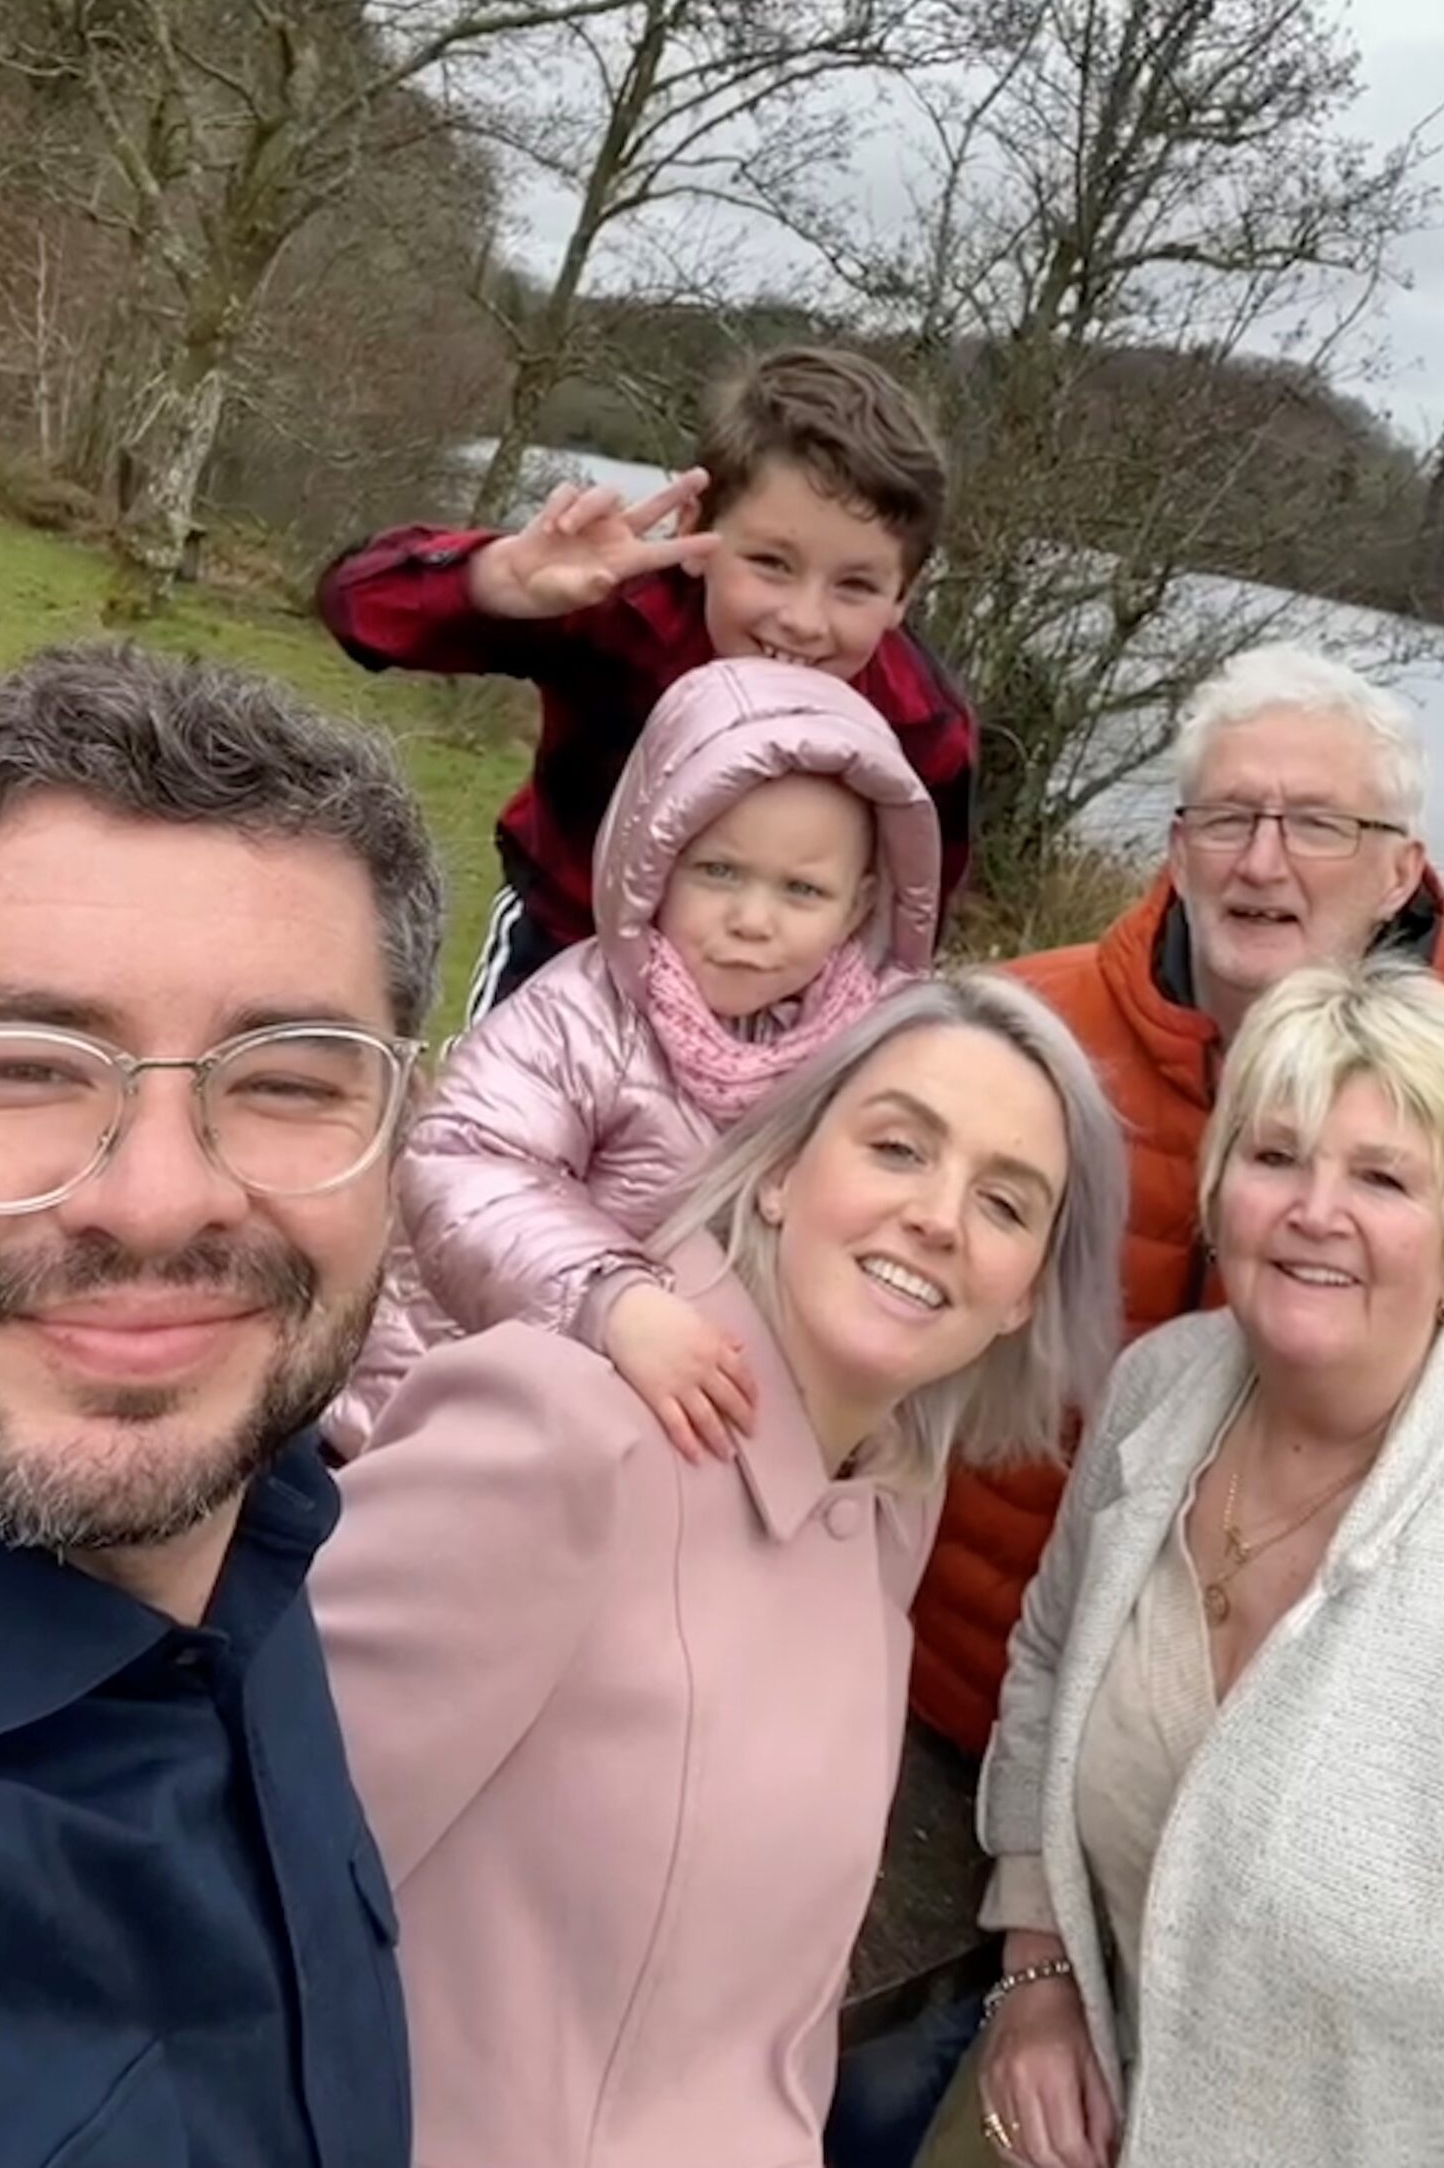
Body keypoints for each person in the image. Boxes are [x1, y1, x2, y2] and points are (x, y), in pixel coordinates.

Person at [309, 974, 1128, 2168]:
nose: (940, 1216)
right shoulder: (567, 1434)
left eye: (1005, 1202)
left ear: (1024, 1297)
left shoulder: (885, 1509)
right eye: (899, 1147)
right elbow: (247, 1883)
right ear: (784, 1169)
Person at [961, 959, 1444, 2168]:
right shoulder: (1155, 1397)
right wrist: (1041, 1967)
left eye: (1383, 1177)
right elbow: (1050, 1652)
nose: (1314, 1209)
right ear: (1220, 1190)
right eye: (1275, 1156)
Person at [912, 644, 1444, 1760]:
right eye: (1227, 817)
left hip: (1242, 1770)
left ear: (1400, 872)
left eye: (1319, 825)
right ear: (1178, 848)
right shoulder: (1020, 1035)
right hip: (939, 1682)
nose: (1263, 860)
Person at [0, 640, 440, 2168]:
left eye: (289, 1079)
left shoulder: (258, 1523)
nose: (159, 1199)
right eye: (20, 1066)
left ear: (400, 1139)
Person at [323, 656, 942, 1463]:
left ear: (859, 903)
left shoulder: (866, 1049)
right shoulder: (586, 1016)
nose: (754, 920)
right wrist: (610, 1297)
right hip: (457, 1414)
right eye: (719, 872)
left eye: (802, 891)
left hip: (664, 1441)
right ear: (655, 863)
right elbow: (459, 1161)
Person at [318, 343, 977, 1018]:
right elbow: (356, 607)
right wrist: (498, 577)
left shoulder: (919, 728)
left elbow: (910, 922)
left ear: (904, 593)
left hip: (763, 991)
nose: (805, 621)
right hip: (568, 943)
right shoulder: (619, 612)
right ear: (693, 526)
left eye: (856, 585)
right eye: (771, 563)